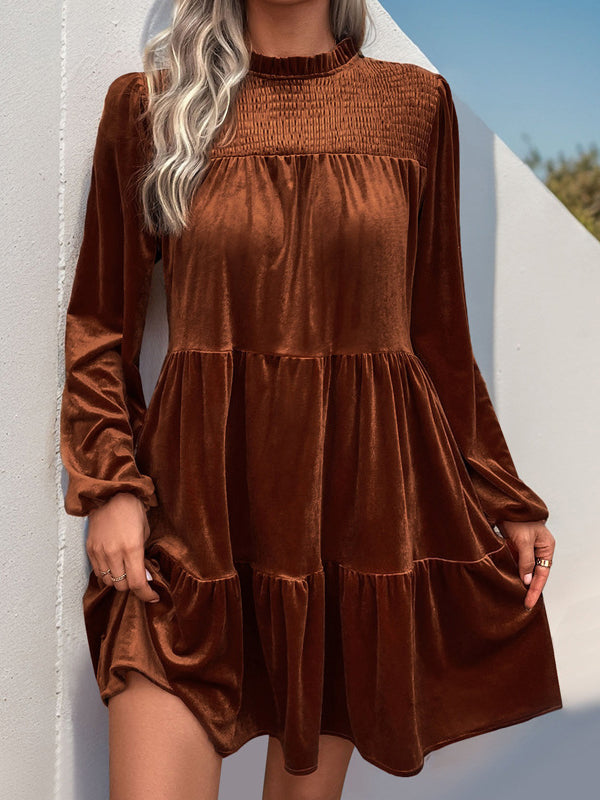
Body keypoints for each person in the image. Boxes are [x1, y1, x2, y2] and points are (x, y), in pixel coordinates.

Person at [59, 1, 563, 797]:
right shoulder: (151, 106)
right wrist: (111, 488)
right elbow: (99, 326)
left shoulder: (415, 107)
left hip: (350, 524)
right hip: (191, 524)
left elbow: (438, 334)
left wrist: (504, 495)